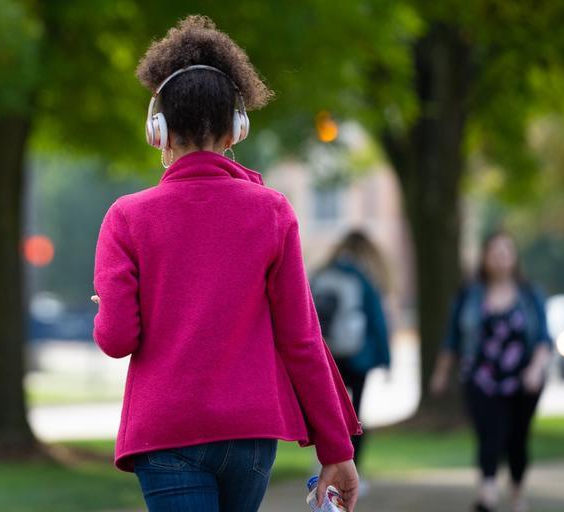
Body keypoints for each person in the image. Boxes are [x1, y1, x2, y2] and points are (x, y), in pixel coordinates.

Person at [91, 15, 361, 512]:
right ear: (237, 125)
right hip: (250, 434)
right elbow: (302, 339)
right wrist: (337, 450)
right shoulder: (272, 211)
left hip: (166, 432)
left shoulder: (126, 218)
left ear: (159, 129)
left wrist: (107, 306)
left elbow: (116, 339)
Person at [429, 231, 552, 512]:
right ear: (484, 257)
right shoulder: (469, 294)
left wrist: (535, 369)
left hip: (522, 380)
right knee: (489, 435)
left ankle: (518, 496)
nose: (500, 258)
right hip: (480, 379)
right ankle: (487, 495)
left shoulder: (530, 295)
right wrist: (441, 372)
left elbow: (544, 339)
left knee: (517, 439)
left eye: (506, 251)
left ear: (514, 257)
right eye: (494, 252)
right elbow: (452, 338)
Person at [311, 231, 391, 471]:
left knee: (329, 414)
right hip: (358, 357)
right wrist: (386, 359)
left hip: (327, 355)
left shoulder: (322, 273)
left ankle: (325, 462)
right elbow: (377, 321)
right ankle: (353, 467)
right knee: (356, 416)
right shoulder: (364, 278)